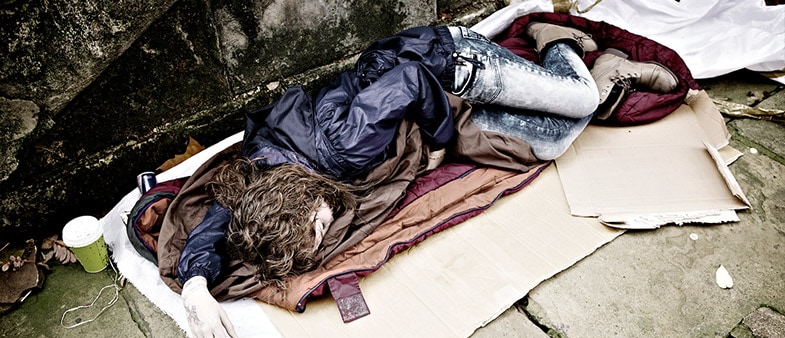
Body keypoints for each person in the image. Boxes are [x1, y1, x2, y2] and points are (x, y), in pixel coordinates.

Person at [173, 22, 679, 337]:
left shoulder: (344, 148)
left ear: (303, 199)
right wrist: (195, 284)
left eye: (319, 226)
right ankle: (593, 73)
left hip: (449, 62)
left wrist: (437, 144)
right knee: (547, 142)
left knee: (579, 102)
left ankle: (560, 41)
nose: (331, 228)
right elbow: (217, 224)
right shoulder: (259, 172)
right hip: (416, 87)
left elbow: (411, 81)